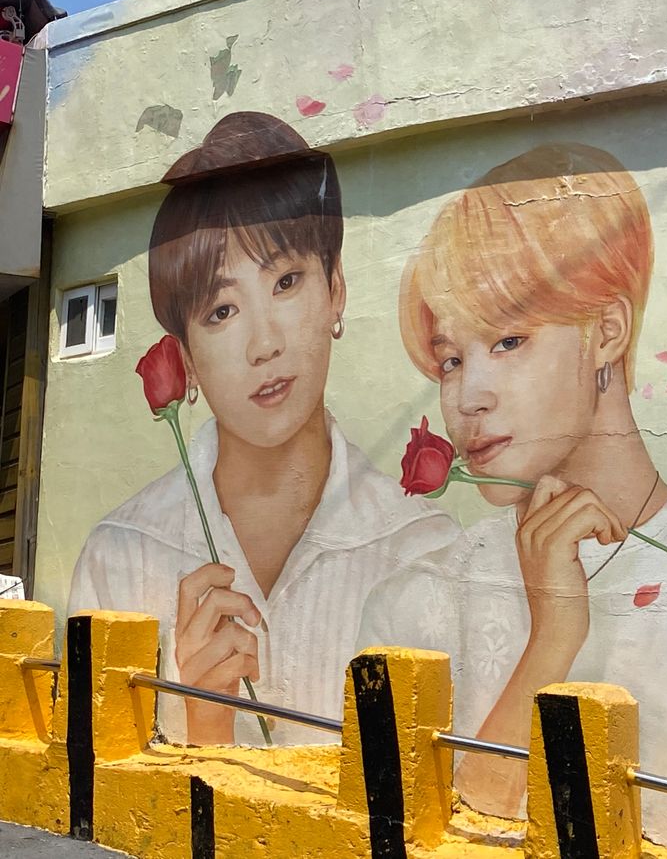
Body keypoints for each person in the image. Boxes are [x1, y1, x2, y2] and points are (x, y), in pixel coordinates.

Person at [358, 142, 667, 854]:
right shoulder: (418, 598)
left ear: (608, 333)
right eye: (450, 359)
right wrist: (552, 639)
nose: (467, 397)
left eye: (508, 340)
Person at [68, 112, 458, 746]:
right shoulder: (122, 557)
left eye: (286, 282)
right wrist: (204, 724)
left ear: (335, 289)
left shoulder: (424, 550)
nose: (264, 344)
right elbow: (93, 788)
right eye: (222, 310)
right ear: (188, 358)